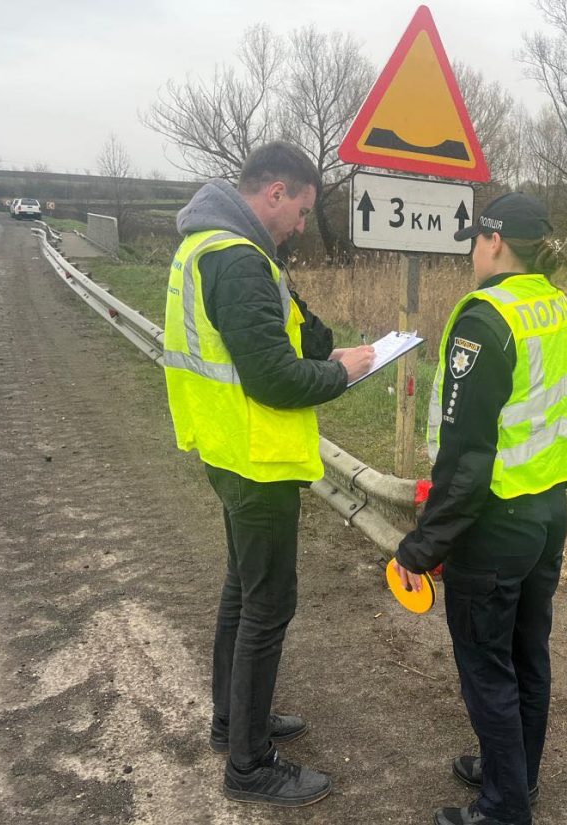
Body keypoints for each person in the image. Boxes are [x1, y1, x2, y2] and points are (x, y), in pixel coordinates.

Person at [163, 141, 375, 807]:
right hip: (255, 456)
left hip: (230, 449)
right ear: (275, 194)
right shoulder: (236, 259)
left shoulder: (224, 247)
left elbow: (286, 337)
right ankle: (250, 765)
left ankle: (235, 721)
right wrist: (342, 372)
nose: (304, 226)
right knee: (267, 603)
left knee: (242, 591)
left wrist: (326, 344)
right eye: (303, 211)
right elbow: (277, 378)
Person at [393, 193, 567, 825]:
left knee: (487, 668)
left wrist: (425, 545)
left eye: (477, 237)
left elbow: (467, 456)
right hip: (549, 512)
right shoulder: (561, 311)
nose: (473, 248)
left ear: (495, 242)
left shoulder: (486, 319)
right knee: (529, 653)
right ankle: (517, 775)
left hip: (497, 524)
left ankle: (504, 808)